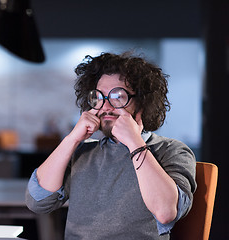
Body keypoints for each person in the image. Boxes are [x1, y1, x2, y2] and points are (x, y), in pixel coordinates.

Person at [25, 52, 197, 240]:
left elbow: (166, 212)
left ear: (142, 102)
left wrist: (134, 142)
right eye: (99, 96)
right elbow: (37, 201)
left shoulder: (172, 151)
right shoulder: (83, 151)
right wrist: (72, 139)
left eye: (117, 96)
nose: (106, 106)